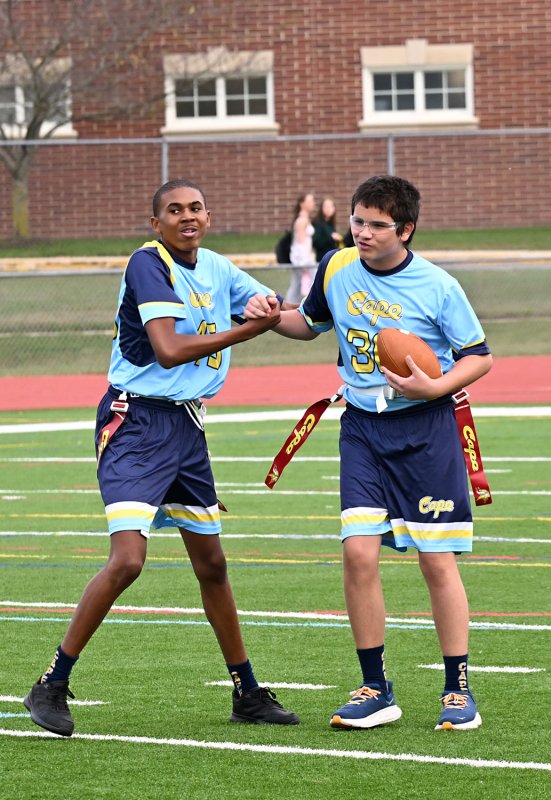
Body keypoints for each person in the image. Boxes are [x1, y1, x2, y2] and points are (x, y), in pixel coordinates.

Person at [23, 178, 299, 737]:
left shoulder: (218, 267)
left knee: (213, 566)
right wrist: (248, 330)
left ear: (208, 214)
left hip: (186, 428)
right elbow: (170, 351)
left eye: (195, 207)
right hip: (137, 423)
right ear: (157, 224)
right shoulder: (147, 264)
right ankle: (51, 682)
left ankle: (246, 692)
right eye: (174, 210)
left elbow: (288, 320)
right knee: (128, 561)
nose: (187, 217)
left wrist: (336, 314)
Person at [250, 174, 492, 732]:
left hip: (426, 429)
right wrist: (266, 315)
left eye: (376, 224)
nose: (361, 231)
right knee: (358, 553)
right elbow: (308, 323)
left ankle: (457, 688)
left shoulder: (437, 285)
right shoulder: (336, 266)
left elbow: (478, 356)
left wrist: (436, 386)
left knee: (436, 560)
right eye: (357, 220)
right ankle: (375, 688)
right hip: (361, 428)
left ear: (405, 229)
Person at [284, 192, 316, 304]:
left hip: (305, 260)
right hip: (301, 261)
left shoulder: (305, 219)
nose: (313, 203)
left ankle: (290, 305)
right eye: (310, 201)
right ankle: (290, 306)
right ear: (302, 204)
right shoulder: (301, 221)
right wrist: (304, 263)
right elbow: (300, 244)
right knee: (299, 285)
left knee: (297, 285)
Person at [312, 197, 344, 262]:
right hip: (322, 260)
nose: (328, 209)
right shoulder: (318, 223)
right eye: (326, 206)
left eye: (331, 206)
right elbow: (316, 243)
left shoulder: (331, 224)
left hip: (332, 259)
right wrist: (331, 237)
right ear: (321, 208)